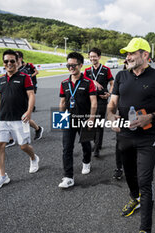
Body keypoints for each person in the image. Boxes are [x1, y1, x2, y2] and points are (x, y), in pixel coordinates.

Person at [107, 38, 155, 233]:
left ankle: (145, 228)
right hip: (124, 136)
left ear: (145, 55)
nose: (127, 57)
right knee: (129, 174)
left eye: (132, 53)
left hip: (147, 138)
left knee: (145, 180)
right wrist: (111, 116)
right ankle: (134, 198)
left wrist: (151, 117)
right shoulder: (121, 76)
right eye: (126, 53)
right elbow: (112, 104)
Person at [0, 49, 40, 190]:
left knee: (23, 146)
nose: (9, 63)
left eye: (12, 61)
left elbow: (31, 95)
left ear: (18, 62)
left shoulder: (25, 77)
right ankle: (2, 176)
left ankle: (34, 158)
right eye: (6, 61)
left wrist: (29, 111)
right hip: (3, 119)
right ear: (3, 63)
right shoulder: (0, 79)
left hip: (20, 119)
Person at [58, 52, 97, 189]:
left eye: (73, 65)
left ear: (80, 65)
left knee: (85, 144)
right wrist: (61, 118)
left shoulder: (88, 82)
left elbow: (93, 102)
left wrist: (92, 118)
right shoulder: (64, 83)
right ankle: (68, 177)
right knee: (67, 147)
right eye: (68, 65)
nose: (71, 67)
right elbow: (62, 102)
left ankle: (86, 161)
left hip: (84, 119)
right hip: (69, 119)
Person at [84, 47, 114, 157]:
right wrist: (93, 81)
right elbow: (84, 82)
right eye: (91, 56)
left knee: (99, 124)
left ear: (99, 57)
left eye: (94, 56)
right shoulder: (87, 71)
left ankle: (96, 148)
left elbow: (112, 84)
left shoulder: (106, 69)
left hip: (102, 99)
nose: (92, 58)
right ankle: (98, 143)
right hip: (90, 100)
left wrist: (109, 94)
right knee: (92, 123)